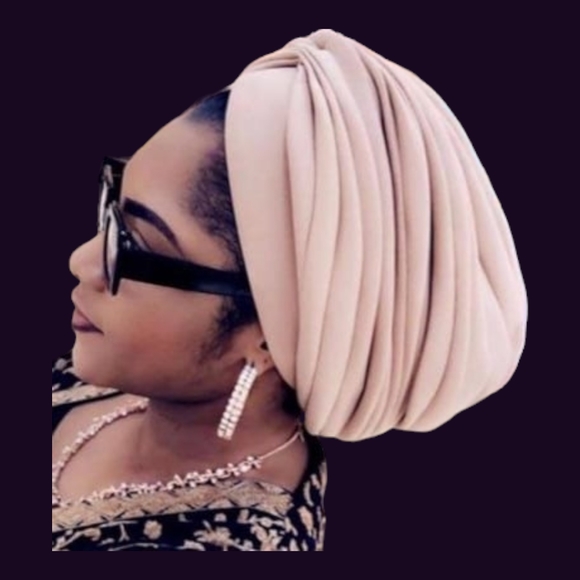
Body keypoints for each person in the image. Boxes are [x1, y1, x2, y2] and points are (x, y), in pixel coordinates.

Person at [52, 29, 528, 551]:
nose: (82, 261)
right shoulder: (119, 377)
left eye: (133, 245)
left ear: (268, 334)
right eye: (112, 209)